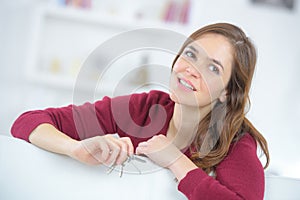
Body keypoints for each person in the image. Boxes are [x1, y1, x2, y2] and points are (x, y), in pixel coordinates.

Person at [11, 22, 269, 200]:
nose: (192, 69)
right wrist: (75, 148)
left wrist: (175, 160)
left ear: (226, 92)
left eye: (213, 68)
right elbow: (28, 122)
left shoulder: (234, 141)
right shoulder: (146, 108)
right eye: (190, 54)